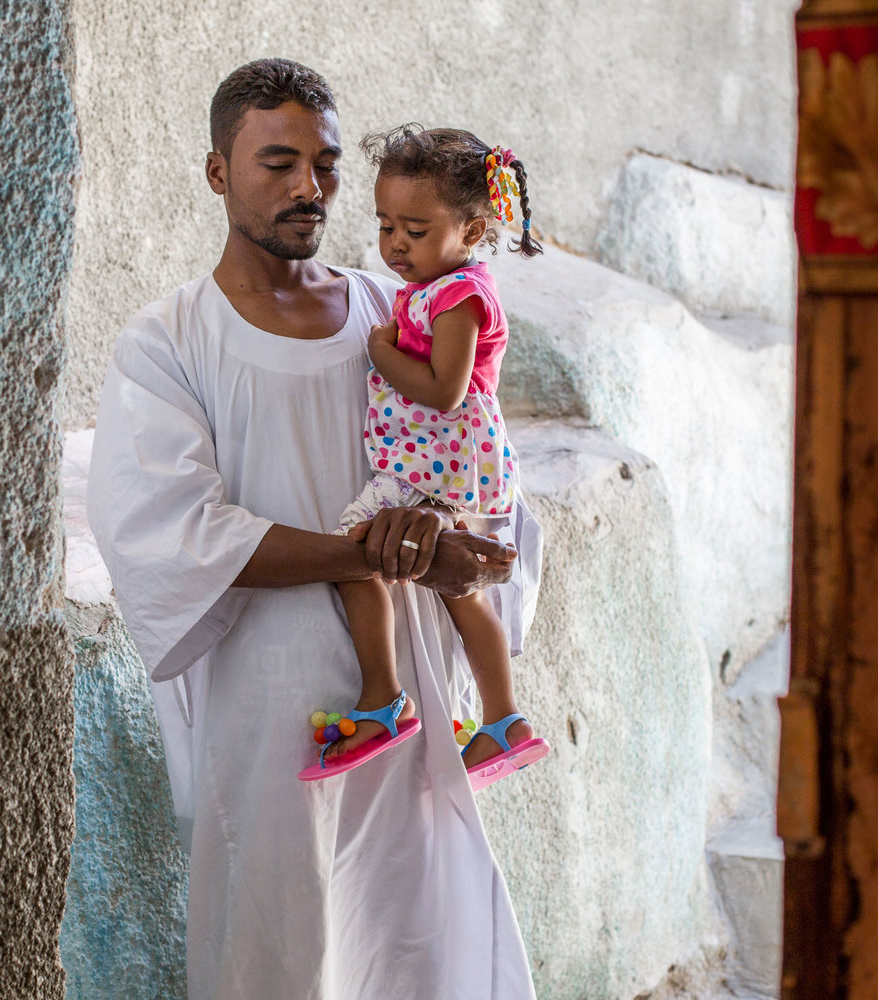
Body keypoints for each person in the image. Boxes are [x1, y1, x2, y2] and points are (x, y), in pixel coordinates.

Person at [87, 58, 544, 999]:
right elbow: (179, 532)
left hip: (413, 700)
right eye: (278, 162)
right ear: (219, 172)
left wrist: (466, 542)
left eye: (327, 164)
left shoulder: (399, 312)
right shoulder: (168, 343)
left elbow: (474, 451)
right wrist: (379, 549)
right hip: (274, 715)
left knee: (413, 945)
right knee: (281, 951)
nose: (310, 187)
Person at [313, 125, 551, 791]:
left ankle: (383, 699)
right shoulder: (440, 288)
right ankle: (504, 720)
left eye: (414, 231)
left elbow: (446, 389)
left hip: (435, 458)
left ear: (473, 232)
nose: (394, 245)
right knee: (458, 589)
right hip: (443, 460)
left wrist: (382, 353)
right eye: (386, 225)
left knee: (355, 551)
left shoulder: (458, 298)